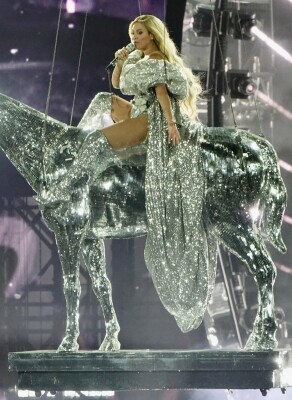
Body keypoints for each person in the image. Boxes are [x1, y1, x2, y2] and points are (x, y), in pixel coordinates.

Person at [39, 14, 216, 332]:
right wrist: (121, 60)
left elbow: (161, 93)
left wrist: (172, 125)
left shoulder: (158, 58)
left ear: (153, 35)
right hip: (139, 107)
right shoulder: (138, 55)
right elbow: (118, 84)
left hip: (155, 118)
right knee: (101, 100)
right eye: (132, 32)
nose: (134, 37)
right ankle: (77, 147)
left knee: (96, 141)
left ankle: (72, 180)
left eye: (140, 33)